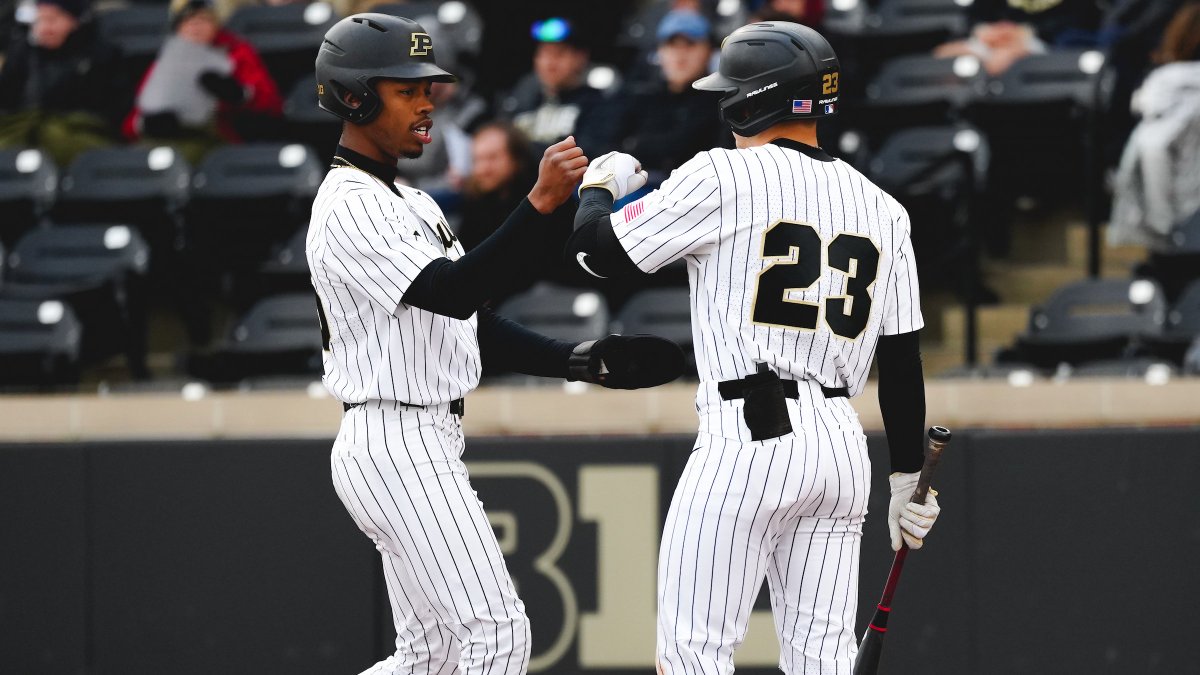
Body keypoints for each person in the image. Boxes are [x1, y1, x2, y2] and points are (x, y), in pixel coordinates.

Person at [307, 14, 685, 675]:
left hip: (410, 433)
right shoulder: (349, 203)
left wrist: (577, 359)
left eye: (430, 89)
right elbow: (453, 291)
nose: (428, 103)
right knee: (499, 635)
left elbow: (466, 318)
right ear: (353, 96)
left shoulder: (405, 199)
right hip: (395, 436)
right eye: (407, 90)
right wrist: (538, 202)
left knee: (428, 655)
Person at [567, 22, 943, 673]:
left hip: (747, 432)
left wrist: (601, 186)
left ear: (750, 102)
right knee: (823, 660)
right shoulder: (885, 208)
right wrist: (907, 477)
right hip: (840, 447)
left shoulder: (722, 174)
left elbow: (595, 253)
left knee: (692, 653)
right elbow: (902, 361)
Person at [122, 0, 283, 164]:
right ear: (177, 27)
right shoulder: (168, 60)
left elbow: (271, 103)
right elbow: (132, 122)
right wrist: (147, 124)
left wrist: (238, 94)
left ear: (216, 24)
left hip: (218, 140)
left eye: (204, 19)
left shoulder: (236, 52)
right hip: (167, 142)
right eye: (188, 20)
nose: (196, 26)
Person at [0, 0, 128, 167]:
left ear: (75, 21)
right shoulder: (24, 55)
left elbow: (112, 113)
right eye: (40, 20)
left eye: (53, 20)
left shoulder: (103, 57)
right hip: (26, 138)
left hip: (82, 140)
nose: (45, 28)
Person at [611, 10, 728, 190]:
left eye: (690, 45)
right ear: (659, 52)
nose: (680, 56)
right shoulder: (639, 98)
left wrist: (639, 145)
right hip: (637, 192)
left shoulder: (723, 102)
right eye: (672, 45)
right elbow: (607, 148)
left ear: (709, 52)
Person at [496, 16, 613, 154]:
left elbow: (587, 155)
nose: (550, 63)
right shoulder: (519, 102)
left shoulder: (596, 105)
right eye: (544, 53)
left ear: (580, 57)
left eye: (559, 54)